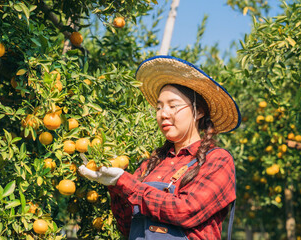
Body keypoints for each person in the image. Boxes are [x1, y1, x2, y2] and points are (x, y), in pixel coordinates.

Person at [78, 56, 241, 240]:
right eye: (159, 107)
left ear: (199, 111)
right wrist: (114, 187)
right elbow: (127, 227)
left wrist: (126, 183)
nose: (163, 114)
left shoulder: (217, 160)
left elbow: (185, 211)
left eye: (173, 106)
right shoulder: (151, 164)